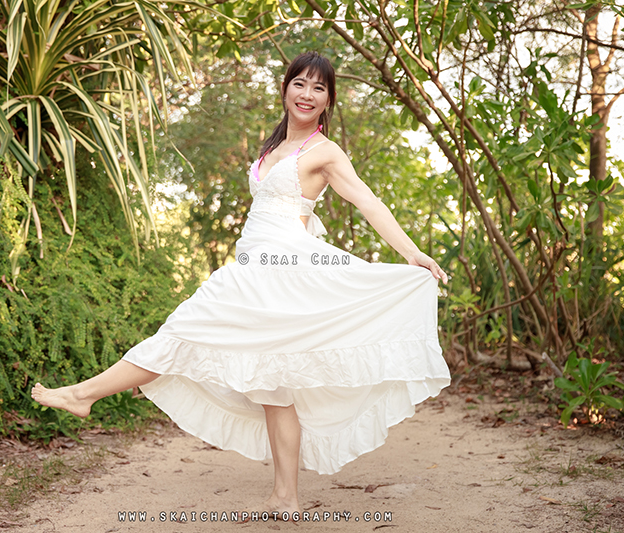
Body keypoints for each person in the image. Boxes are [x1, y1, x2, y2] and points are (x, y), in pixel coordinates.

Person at [31, 51, 451, 520]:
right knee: (274, 387)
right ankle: (286, 498)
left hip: (278, 274)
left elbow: (368, 202)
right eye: (300, 84)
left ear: (329, 99)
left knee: (179, 334)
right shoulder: (271, 147)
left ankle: (83, 394)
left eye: (318, 88)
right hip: (257, 274)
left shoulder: (325, 152)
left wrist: (411, 252)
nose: (307, 95)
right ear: (285, 88)